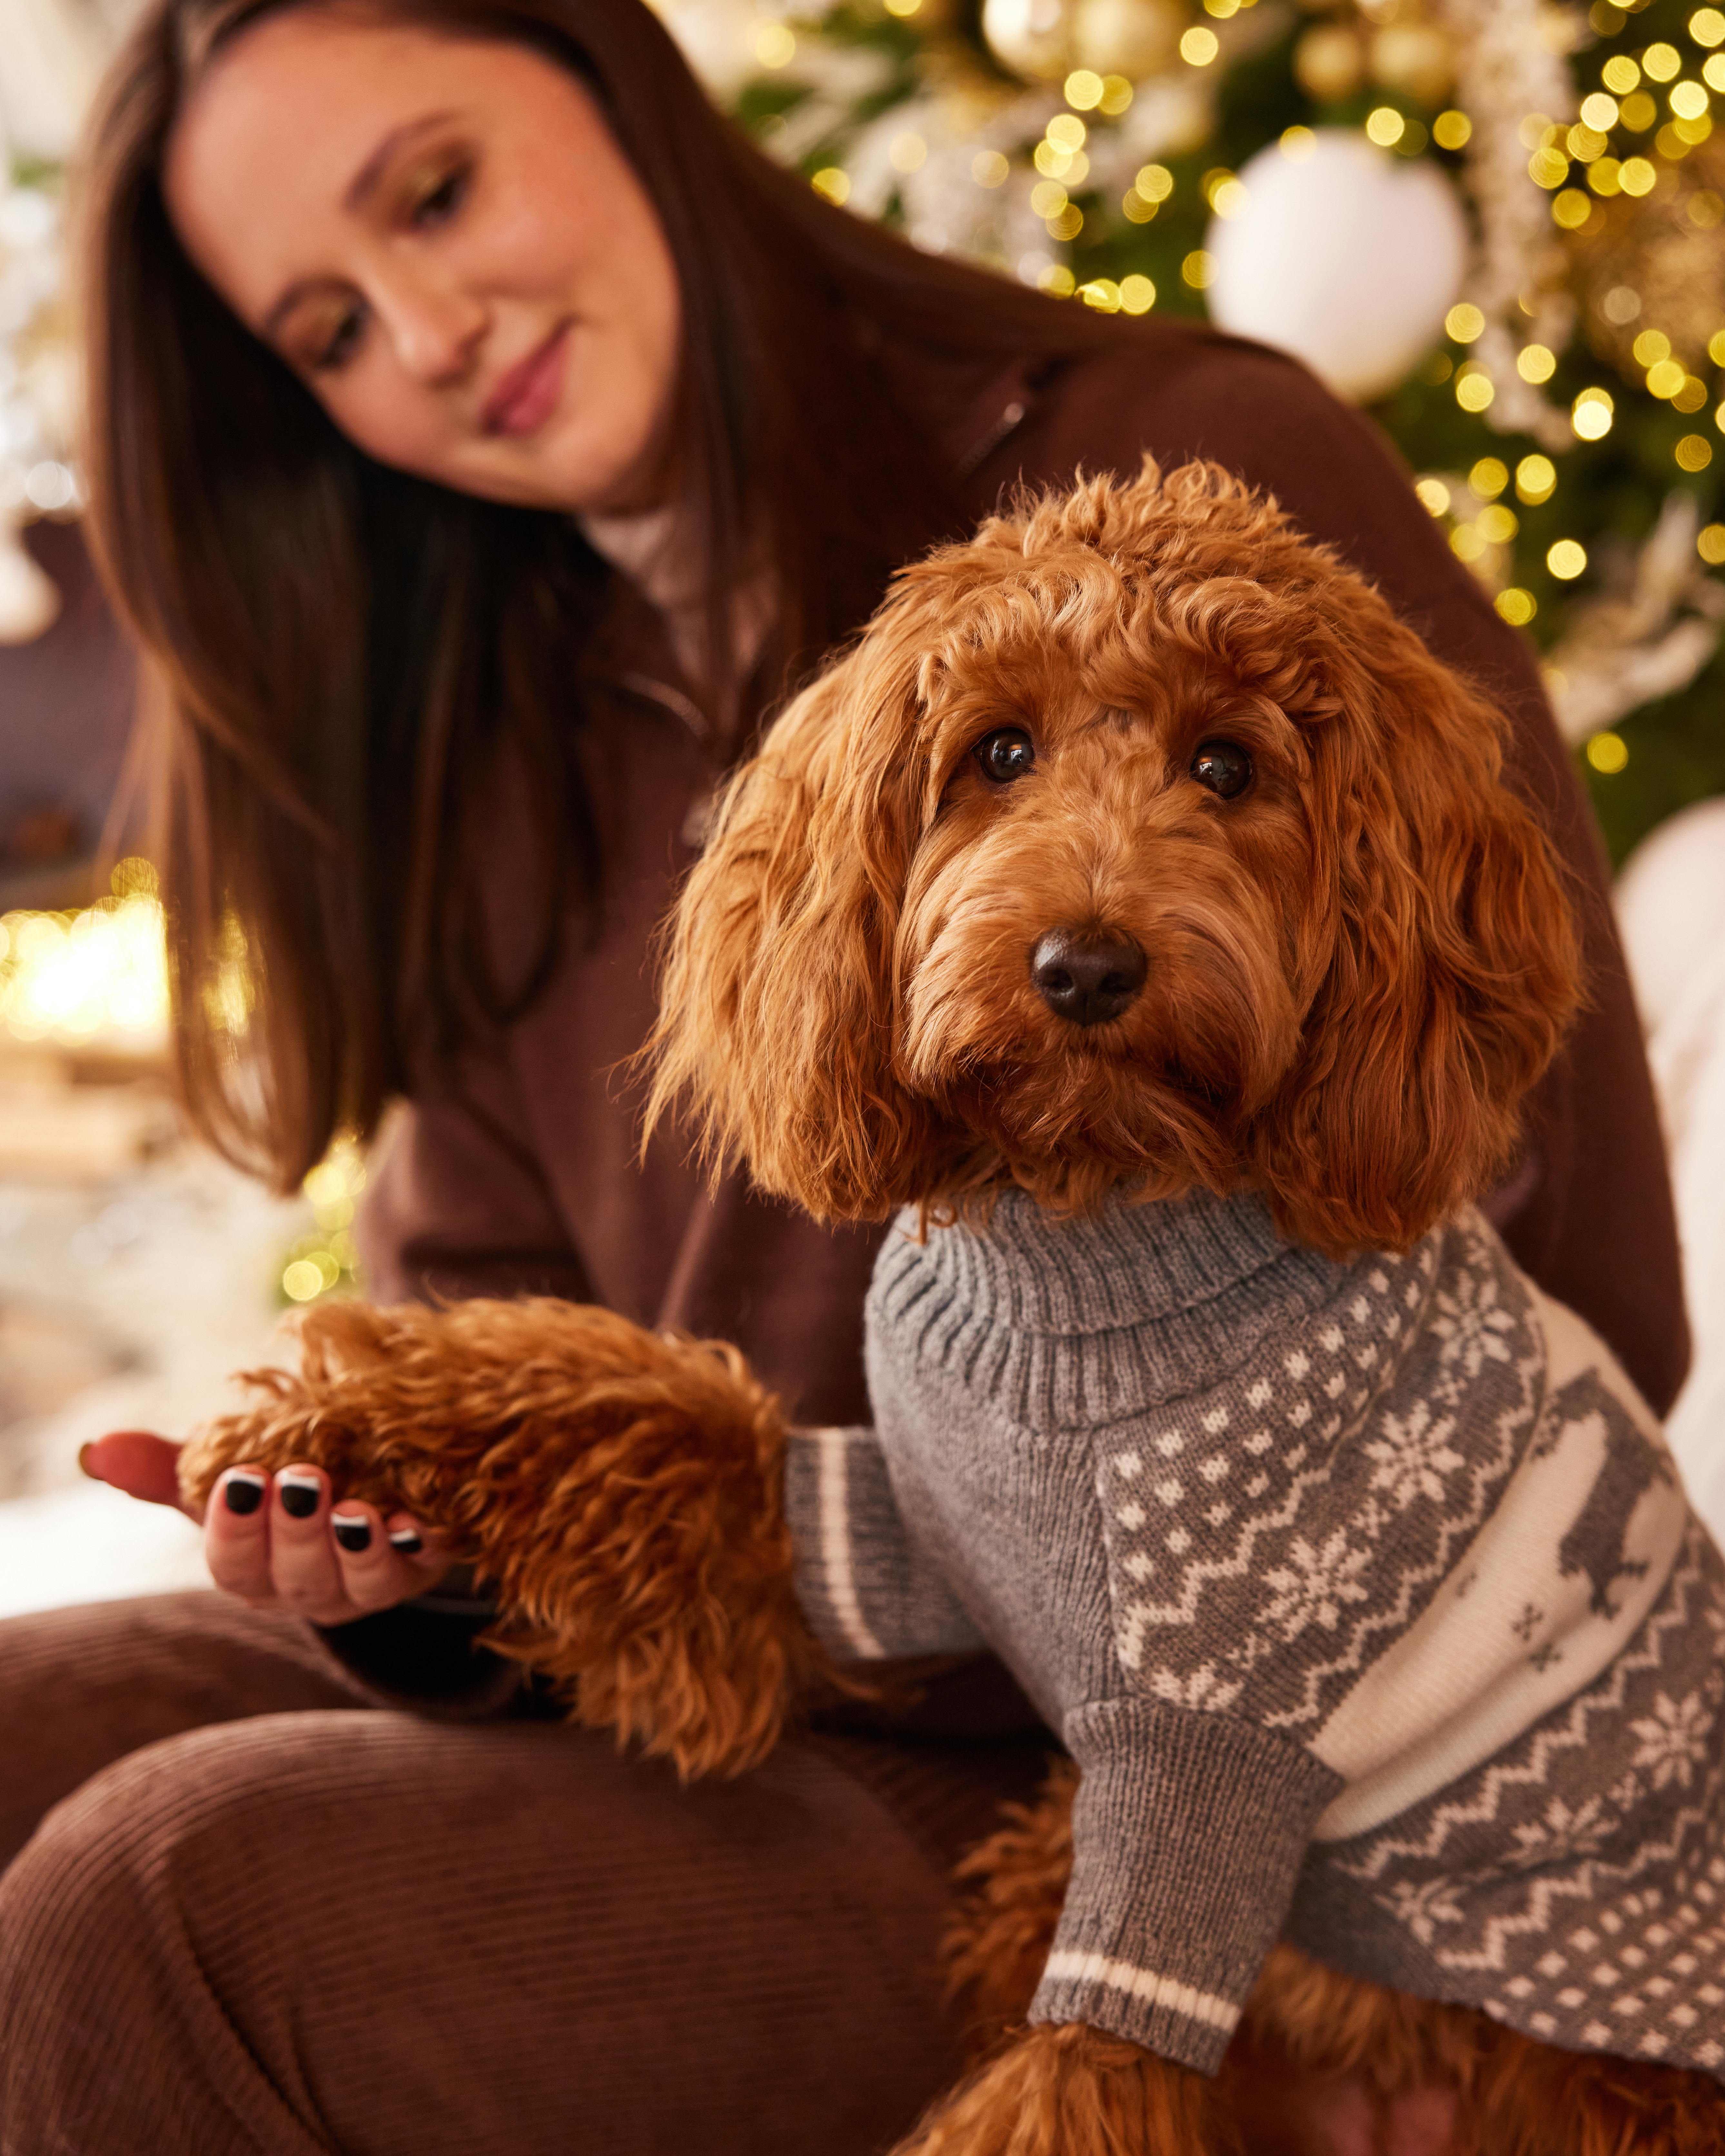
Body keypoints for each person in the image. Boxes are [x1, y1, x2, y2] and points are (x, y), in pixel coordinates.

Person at [0, 0, 1688, 2146]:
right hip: (729, 1611)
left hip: (1103, 1779)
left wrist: (1011, 1583)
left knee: (159, 1894)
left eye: (437, 190)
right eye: (330, 329)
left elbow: (1568, 1268)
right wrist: (416, 1547)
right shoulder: (498, 707)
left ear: (615, 89)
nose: (427, 329)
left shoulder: (1176, 470)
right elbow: (473, 1312)